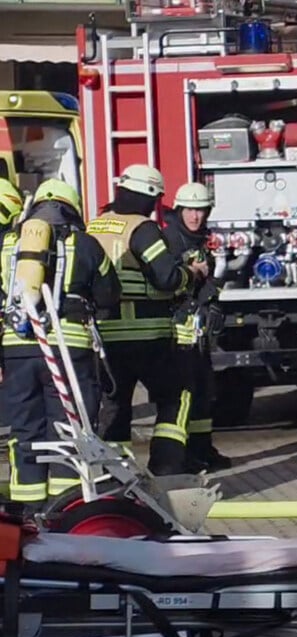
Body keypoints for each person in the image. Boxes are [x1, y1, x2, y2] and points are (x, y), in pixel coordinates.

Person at [0, 179, 120, 514]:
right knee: (68, 429)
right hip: (69, 348)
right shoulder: (85, 244)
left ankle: (26, 510)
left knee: (24, 429)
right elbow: (110, 291)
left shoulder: (9, 244)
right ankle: (66, 508)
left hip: (17, 349)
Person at [87, 164, 207, 475]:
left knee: (114, 409)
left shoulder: (95, 226)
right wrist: (190, 274)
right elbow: (166, 278)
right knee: (177, 396)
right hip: (147, 336)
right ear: (150, 197)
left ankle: (115, 478)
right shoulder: (142, 228)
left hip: (105, 337)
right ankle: (166, 469)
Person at [162, 182, 231, 471]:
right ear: (180, 210)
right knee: (184, 395)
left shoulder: (201, 240)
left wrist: (213, 301)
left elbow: (212, 278)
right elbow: (167, 281)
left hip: (197, 331)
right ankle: (181, 456)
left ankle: (203, 449)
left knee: (204, 391)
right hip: (177, 332)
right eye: (190, 210)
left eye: (201, 210)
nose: (195, 216)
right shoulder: (170, 240)